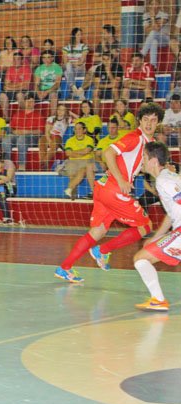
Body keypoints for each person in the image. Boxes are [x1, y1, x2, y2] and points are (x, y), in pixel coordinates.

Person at [54, 102, 165, 283]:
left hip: (103, 189)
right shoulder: (135, 137)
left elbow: (141, 166)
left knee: (97, 231)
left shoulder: (149, 143)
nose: (149, 124)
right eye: (146, 119)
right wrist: (122, 180)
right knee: (145, 226)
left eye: (153, 120)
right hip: (114, 189)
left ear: (158, 123)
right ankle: (102, 250)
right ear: (139, 121)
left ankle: (64, 267)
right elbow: (107, 153)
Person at [132, 141, 178, 311]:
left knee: (141, 259)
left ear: (153, 161)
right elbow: (172, 213)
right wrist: (158, 236)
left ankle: (158, 300)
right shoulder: (167, 177)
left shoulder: (163, 181)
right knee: (143, 256)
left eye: (144, 157)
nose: (141, 161)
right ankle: (157, 300)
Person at [1, 94, 45, 171]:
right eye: (28, 101)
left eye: (32, 102)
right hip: (17, 135)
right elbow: (11, 128)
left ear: (34, 103)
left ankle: (22, 166)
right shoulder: (18, 114)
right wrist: (14, 131)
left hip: (31, 137)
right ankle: (7, 164)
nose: (29, 103)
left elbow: (40, 131)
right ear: (24, 102)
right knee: (6, 139)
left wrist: (26, 132)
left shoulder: (38, 115)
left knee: (22, 139)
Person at [63, 122, 96, 200]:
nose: (77, 130)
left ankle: (69, 188)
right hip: (73, 162)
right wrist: (81, 153)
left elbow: (87, 151)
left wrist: (74, 152)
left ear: (84, 130)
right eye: (75, 129)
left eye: (79, 128)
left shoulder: (89, 139)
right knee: (72, 173)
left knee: (84, 169)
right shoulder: (70, 140)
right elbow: (68, 153)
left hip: (87, 161)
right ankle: (72, 194)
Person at [39, 104, 75, 171]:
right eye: (59, 109)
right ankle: (45, 165)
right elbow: (47, 131)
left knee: (54, 145)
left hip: (58, 136)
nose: (60, 111)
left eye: (63, 110)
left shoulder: (68, 119)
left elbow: (79, 119)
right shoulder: (51, 118)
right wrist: (49, 139)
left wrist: (71, 113)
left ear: (65, 111)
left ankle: (43, 163)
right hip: (49, 135)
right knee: (41, 143)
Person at [0, 51, 31, 119]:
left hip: (24, 91)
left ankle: (26, 115)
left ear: (22, 60)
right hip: (12, 91)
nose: (16, 61)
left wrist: (11, 86)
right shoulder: (10, 69)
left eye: (18, 59)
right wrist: (19, 85)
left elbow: (25, 85)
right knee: (2, 95)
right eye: (14, 59)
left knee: (19, 95)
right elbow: (6, 85)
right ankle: (6, 118)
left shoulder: (26, 69)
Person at [141, 0, 170, 68]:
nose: (154, 6)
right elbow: (146, 31)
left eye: (156, 4)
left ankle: (142, 54)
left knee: (153, 32)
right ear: (149, 5)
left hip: (164, 39)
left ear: (159, 5)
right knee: (154, 41)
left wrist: (152, 18)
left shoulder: (164, 15)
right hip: (153, 38)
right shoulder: (145, 15)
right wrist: (154, 25)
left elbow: (157, 29)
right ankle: (153, 66)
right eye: (152, 4)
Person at [63, 28, 89, 99]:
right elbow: (65, 61)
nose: (80, 36)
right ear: (73, 36)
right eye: (78, 35)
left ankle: (72, 90)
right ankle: (74, 88)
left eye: (81, 35)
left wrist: (72, 62)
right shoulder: (66, 48)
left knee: (67, 70)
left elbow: (82, 61)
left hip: (80, 70)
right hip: (70, 70)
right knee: (66, 69)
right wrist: (76, 62)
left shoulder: (84, 46)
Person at [33, 50, 62, 115]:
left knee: (53, 95)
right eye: (44, 57)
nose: (46, 59)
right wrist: (39, 92)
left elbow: (57, 84)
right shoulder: (39, 68)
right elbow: (36, 84)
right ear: (42, 59)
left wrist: (46, 92)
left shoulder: (57, 67)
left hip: (53, 90)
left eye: (49, 57)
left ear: (52, 58)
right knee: (28, 96)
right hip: (41, 91)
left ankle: (52, 116)